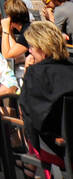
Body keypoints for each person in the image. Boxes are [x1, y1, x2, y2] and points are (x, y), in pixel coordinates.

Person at [19, 21, 73, 154]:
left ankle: (29, 168)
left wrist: (27, 71)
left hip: (55, 147)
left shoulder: (35, 73)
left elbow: (27, 111)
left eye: (31, 46)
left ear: (42, 47)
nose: (29, 50)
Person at [0, 0, 31, 70]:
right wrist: (9, 31)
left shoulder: (27, 33)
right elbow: (15, 51)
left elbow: (7, 56)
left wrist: (5, 30)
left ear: (10, 17)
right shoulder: (28, 28)